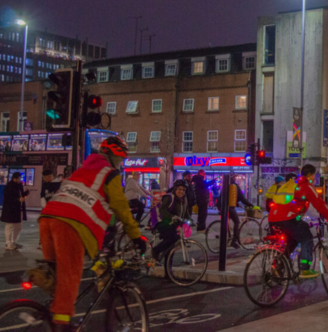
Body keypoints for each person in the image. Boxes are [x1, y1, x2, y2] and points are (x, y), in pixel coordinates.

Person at [38, 137, 145, 329]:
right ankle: (62, 326)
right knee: (70, 279)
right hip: (70, 224)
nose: (120, 164)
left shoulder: (83, 169)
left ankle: (45, 315)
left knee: (56, 278)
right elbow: (121, 207)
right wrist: (136, 236)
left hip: (47, 218)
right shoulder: (109, 173)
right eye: (120, 160)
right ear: (113, 157)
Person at [269, 164, 328, 278]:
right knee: (306, 238)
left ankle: (278, 265)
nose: (314, 178)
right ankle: (304, 269)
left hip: (272, 218)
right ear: (309, 175)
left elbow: (298, 205)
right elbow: (320, 204)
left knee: (293, 240)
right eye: (314, 175)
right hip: (288, 218)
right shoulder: (306, 186)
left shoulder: (291, 184)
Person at [151, 179, 189, 262]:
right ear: (175, 189)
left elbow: (186, 213)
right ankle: (155, 250)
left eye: (183, 190)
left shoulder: (184, 200)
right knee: (172, 238)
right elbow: (163, 211)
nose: (181, 192)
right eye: (180, 189)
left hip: (171, 223)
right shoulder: (169, 197)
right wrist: (172, 217)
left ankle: (168, 271)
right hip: (160, 221)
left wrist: (190, 220)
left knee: (171, 245)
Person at [1, 172, 29, 250]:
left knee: (18, 226)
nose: (21, 180)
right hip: (10, 210)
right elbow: (8, 199)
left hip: (18, 209)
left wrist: (26, 194)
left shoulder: (19, 185)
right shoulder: (9, 187)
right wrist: (18, 200)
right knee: (10, 227)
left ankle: (13, 241)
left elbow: (21, 195)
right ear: (14, 179)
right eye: (19, 178)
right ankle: (8, 243)